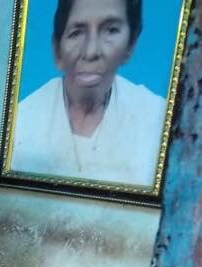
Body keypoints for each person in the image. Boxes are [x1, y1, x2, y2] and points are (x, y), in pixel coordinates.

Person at [10, 0, 166, 186]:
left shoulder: (158, 123)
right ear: (57, 50)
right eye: (76, 33)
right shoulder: (20, 123)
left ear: (131, 44)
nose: (91, 51)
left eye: (111, 30)